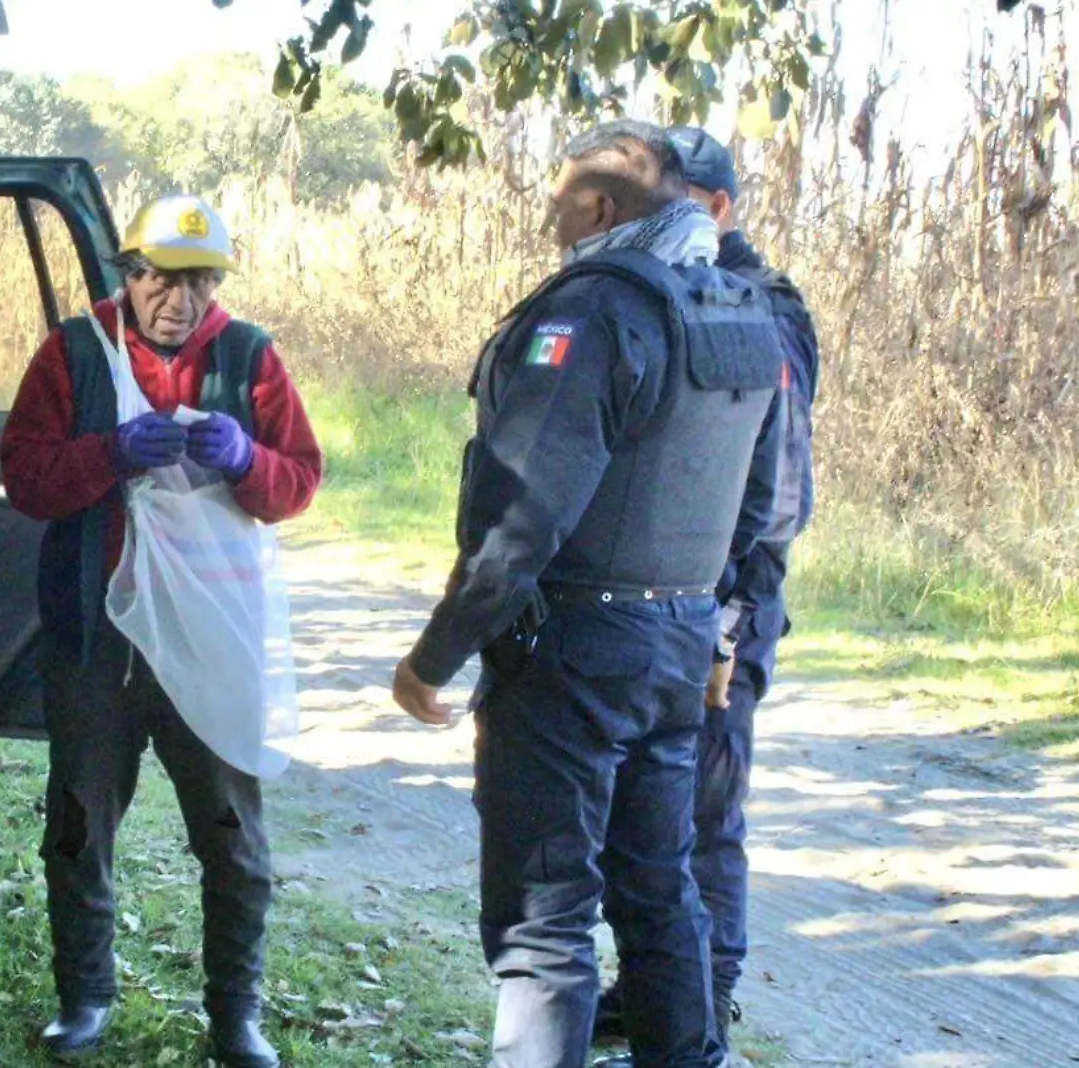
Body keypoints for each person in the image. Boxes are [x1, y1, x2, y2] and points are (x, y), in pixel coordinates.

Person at [390, 120, 786, 1068]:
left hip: (572, 651)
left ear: (602, 208)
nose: (548, 212)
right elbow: (760, 504)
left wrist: (432, 658)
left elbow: (523, 520)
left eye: (562, 196)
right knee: (660, 893)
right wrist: (721, 632)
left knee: (544, 923)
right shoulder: (737, 308)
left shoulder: (592, 314)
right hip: (680, 642)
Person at [0, 194, 323, 1067]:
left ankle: (234, 1014)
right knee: (79, 820)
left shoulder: (249, 357)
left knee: (231, 832)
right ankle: (85, 998)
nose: (180, 301)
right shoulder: (73, 353)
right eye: (161, 280)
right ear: (129, 275)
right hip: (97, 634)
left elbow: (299, 480)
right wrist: (107, 453)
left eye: (200, 282)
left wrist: (247, 459)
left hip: (212, 636)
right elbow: (24, 476)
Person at [589, 126, 823, 1061]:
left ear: (717, 210)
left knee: (703, 809)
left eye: (671, 203)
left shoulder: (753, 310)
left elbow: (778, 493)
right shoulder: (669, 293)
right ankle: (653, 987)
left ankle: (706, 993)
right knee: (642, 808)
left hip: (724, 604)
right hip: (661, 599)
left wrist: (728, 621)